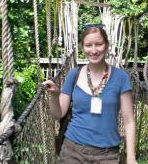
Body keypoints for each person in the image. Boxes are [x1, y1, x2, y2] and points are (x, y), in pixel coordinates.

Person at [43, 25, 137, 164]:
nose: (93, 50)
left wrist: (131, 157)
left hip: (107, 155)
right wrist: (55, 95)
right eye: (88, 45)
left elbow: (129, 121)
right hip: (72, 151)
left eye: (98, 44)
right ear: (82, 47)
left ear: (106, 46)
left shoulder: (120, 77)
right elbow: (58, 114)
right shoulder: (73, 74)